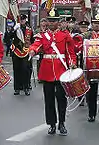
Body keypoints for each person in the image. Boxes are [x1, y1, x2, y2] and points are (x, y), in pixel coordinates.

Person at [29, 8, 77, 136]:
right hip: (47, 71)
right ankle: (51, 124)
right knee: (48, 99)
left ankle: (62, 123)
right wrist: (32, 50)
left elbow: (70, 52)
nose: (51, 23)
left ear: (58, 22)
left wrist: (72, 62)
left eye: (54, 21)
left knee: (61, 98)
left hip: (61, 69)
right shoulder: (42, 35)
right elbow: (36, 45)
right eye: (50, 21)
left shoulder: (65, 35)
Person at [10, 14, 34, 95]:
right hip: (16, 51)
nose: (22, 21)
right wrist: (13, 29)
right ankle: (17, 88)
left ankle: (26, 87)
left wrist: (32, 49)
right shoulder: (16, 28)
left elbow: (32, 40)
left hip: (25, 51)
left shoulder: (29, 30)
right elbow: (9, 36)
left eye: (23, 19)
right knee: (16, 70)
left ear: (25, 20)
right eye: (21, 19)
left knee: (25, 70)